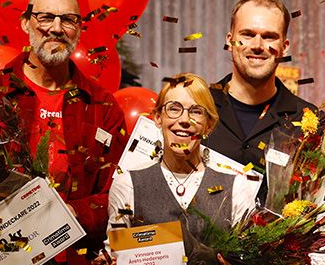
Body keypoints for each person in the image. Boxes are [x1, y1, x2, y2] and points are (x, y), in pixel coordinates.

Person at [0, 0, 128, 265]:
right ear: (26, 22)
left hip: (75, 256)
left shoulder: (101, 104)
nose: (57, 28)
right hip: (2, 254)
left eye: (68, 19)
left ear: (80, 29)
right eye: (46, 17)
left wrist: (72, 213)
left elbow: (119, 190)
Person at [98, 73, 258, 265]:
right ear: (158, 117)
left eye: (196, 111)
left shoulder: (237, 187)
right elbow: (115, 253)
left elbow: (249, 257)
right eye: (174, 109)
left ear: (208, 125)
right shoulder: (128, 184)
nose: (184, 119)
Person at [205, 0, 325, 203]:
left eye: (269, 36)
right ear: (230, 40)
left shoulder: (311, 122)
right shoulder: (197, 106)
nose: (257, 45)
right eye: (247, 34)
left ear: (284, 47)